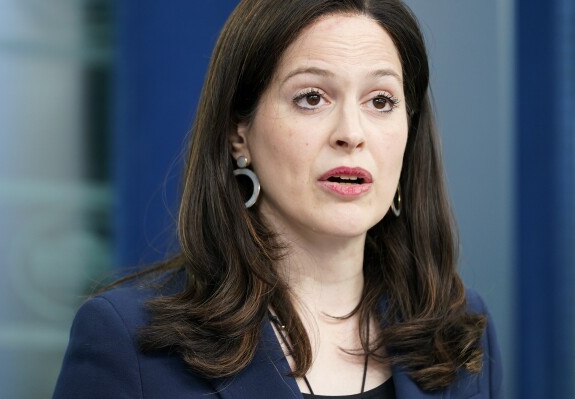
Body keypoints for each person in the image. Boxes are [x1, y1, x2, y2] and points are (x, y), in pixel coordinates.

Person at [53, 0, 503, 398]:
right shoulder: (128, 340)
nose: (351, 133)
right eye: (312, 97)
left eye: (381, 101)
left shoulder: (460, 332)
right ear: (238, 133)